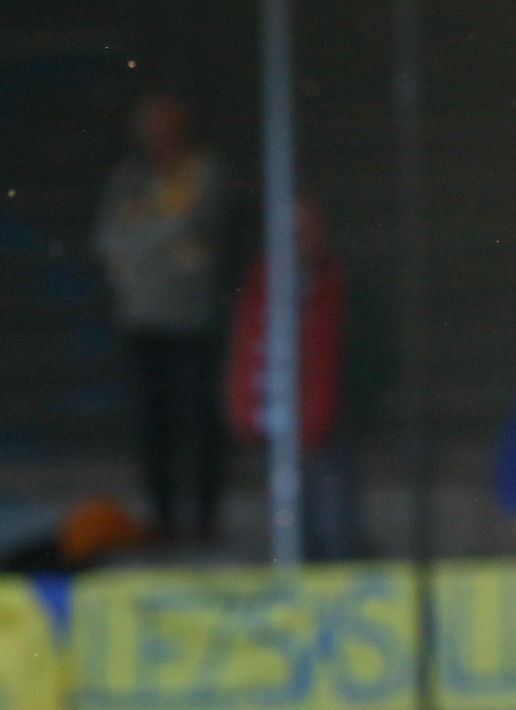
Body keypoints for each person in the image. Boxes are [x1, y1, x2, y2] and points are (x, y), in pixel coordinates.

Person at [92, 92, 228, 543]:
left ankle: (204, 519)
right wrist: (158, 248)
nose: (158, 138)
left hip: (192, 321)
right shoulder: (129, 177)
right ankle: (163, 519)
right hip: (141, 320)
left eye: (166, 128)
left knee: (199, 421)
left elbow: (191, 224)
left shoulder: (202, 172)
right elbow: (107, 239)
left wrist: (140, 249)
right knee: (152, 425)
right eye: (151, 129)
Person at [224, 198, 388, 561]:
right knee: (288, 534)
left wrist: (349, 409)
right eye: (289, 233)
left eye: (304, 232)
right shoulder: (256, 287)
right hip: (273, 429)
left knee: (335, 529)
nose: (296, 242)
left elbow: (369, 356)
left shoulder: (342, 286)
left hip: (330, 430)